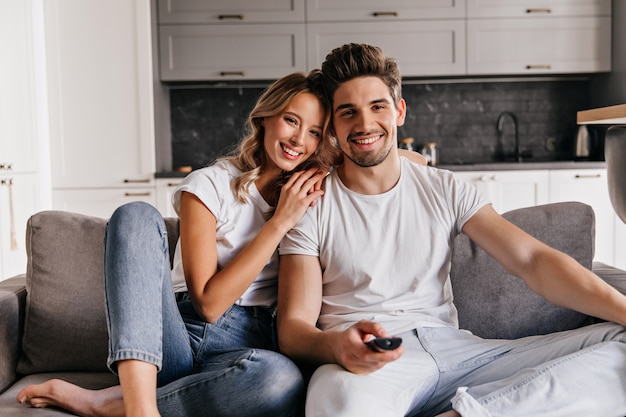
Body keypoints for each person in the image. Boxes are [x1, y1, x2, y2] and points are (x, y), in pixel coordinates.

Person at [276, 43, 626, 417]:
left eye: (377, 106)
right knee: (335, 402)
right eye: (349, 112)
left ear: (399, 111)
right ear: (332, 126)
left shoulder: (444, 187)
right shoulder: (311, 203)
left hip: (460, 353)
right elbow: (293, 328)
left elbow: (533, 259)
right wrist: (336, 347)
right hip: (370, 365)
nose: (364, 124)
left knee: (619, 342)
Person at [17, 70, 337, 417]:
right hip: (179, 339)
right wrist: (279, 224)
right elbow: (209, 305)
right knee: (135, 214)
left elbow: (388, 163)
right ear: (265, 117)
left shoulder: (313, 192)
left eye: (315, 132)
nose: (298, 139)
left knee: (280, 380)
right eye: (291, 120)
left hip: (253, 348)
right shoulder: (210, 185)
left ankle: (106, 404)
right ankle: (140, 407)